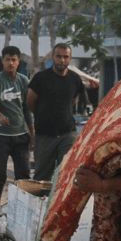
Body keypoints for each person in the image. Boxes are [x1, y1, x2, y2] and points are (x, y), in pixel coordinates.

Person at [26, 43, 98, 182]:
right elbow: (30, 102)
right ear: (53, 57)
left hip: (67, 133)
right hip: (45, 134)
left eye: (66, 57)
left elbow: (72, 101)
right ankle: (42, 202)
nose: (62, 60)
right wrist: (43, 114)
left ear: (70, 58)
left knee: (67, 173)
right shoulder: (40, 78)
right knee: (42, 175)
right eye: (59, 56)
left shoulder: (75, 79)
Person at [0, 45, 33, 210]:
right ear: (3, 61)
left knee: (24, 175)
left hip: (20, 135)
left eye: (14, 60)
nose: (11, 63)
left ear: (18, 62)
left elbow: (27, 109)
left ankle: (21, 210)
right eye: (8, 59)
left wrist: (32, 134)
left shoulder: (23, 81)